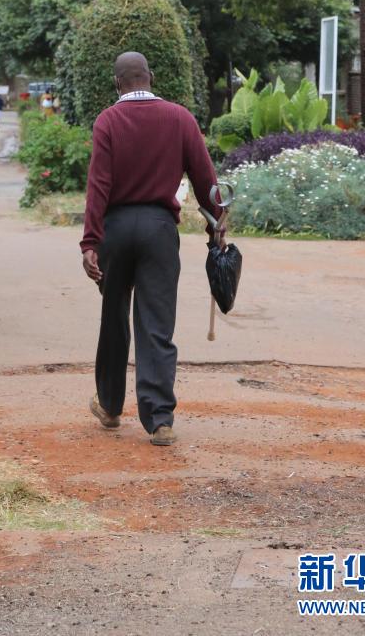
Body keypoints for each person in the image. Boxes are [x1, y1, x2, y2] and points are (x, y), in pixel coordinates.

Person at [81, 51, 220, 447]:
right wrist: (216, 226)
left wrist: (91, 240)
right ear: (151, 77)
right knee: (156, 323)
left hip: (116, 230)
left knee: (114, 318)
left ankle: (109, 407)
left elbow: (99, 186)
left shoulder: (108, 121)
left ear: (117, 83)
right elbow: (205, 179)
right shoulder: (180, 118)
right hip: (160, 231)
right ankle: (160, 420)